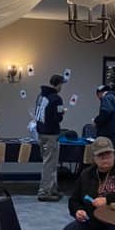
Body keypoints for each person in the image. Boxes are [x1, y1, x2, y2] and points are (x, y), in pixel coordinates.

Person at [34, 74, 66, 202]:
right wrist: (62, 112)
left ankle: (52, 189)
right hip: (51, 133)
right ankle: (44, 191)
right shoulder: (56, 99)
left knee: (48, 162)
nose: (61, 87)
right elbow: (58, 118)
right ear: (58, 84)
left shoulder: (40, 96)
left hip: (40, 132)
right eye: (61, 84)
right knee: (49, 163)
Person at [94, 85, 115, 150]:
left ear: (99, 93)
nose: (99, 98)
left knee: (105, 153)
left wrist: (96, 121)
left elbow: (106, 111)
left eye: (97, 96)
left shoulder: (106, 98)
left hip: (108, 135)